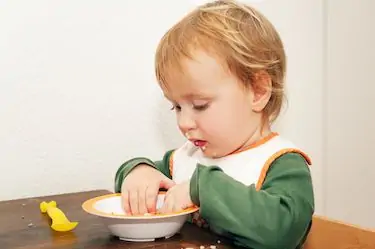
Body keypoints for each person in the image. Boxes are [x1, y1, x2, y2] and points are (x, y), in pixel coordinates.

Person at [114, 0, 314, 248]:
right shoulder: (188, 157)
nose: (184, 123)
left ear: (258, 91)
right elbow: (143, 174)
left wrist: (203, 190)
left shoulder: (281, 164)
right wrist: (137, 172)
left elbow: (283, 231)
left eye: (199, 105)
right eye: (176, 107)